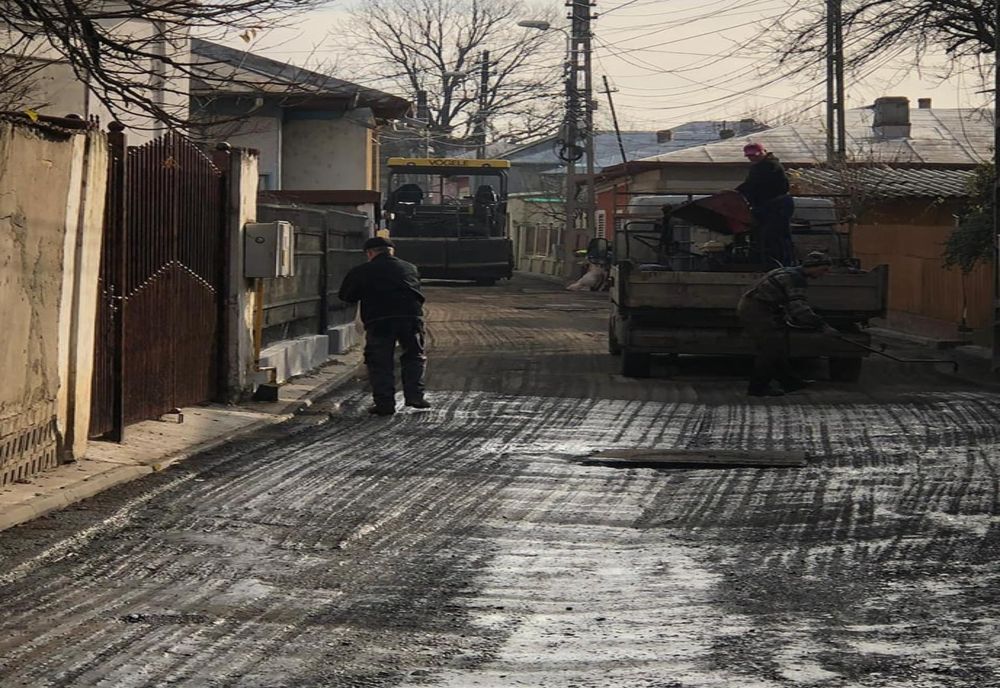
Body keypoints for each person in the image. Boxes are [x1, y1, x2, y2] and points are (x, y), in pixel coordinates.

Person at [338, 237, 430, 416]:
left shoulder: (362, 271)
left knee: (380, 361)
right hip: (411, 318)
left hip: (380, 320)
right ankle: (415, 396)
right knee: (414, 356)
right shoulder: (409, 268)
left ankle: (385, 404)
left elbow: (347, 296)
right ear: (391, 251)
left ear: (370, 253)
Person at [737, 251, 838, 397]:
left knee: (779, 348)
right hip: (756, 311)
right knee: (770, 350)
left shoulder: (789, 272)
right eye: (823, 269)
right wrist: (822, 326)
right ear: (812, 266)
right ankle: (757, 389)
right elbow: (799, 309)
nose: (825, 273)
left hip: (759, 308)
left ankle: (791, 382)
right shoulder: (796, 279)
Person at [736, 142, 794, 266]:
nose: (752, 158)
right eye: (750, 156)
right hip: (775, 204)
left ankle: (775, 262)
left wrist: (736, 192)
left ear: (763, 152)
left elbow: (752, 185)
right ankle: (779, 261)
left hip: (775, 205)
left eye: (755, 155)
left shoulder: (766, 166)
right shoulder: (769, 165)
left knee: (772, 235)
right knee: (776, 235)